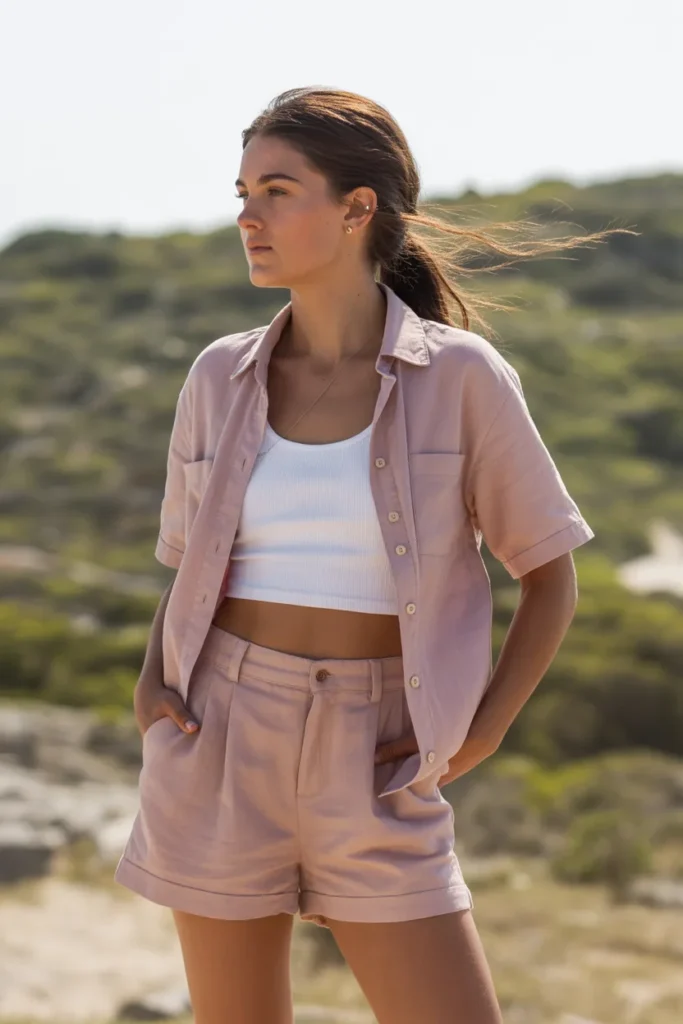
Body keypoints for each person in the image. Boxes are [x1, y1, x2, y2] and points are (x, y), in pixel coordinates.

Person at [115, 86, 616, 1023]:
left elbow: (549, 574)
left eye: (276, 190)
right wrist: (155, 686)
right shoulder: (218, 376)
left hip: (379, 747)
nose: (246, 217)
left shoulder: (461, 376)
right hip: (217, 730)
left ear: (357, 209)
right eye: (242, 192)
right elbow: (189, 567)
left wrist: (482, 730)